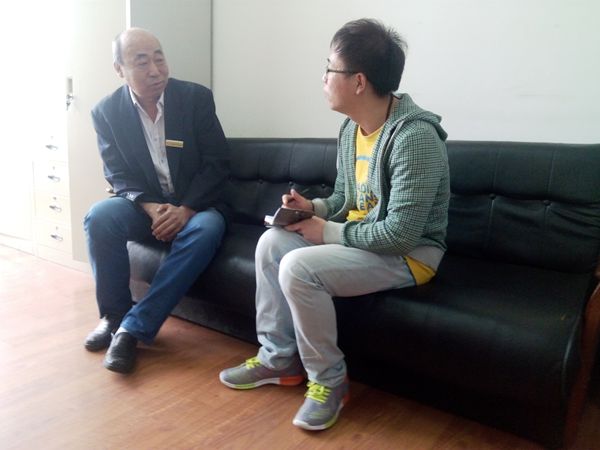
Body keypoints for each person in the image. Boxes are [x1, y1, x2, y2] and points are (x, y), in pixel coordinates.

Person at [219, 18, 449, 430]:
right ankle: (279, 359)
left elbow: (400, 235)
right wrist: (313, 208)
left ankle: (329, 380)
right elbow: (345, 200)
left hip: (410, 255)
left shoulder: (415, 138)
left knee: (298, 267)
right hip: (362, 239)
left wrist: (325, 231)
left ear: (358, 81)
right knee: (271, 243)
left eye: (330, 68)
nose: (324, 78)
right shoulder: (351, 129)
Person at [83, 28, 230, 374]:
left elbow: (217, 163)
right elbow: (117, 173)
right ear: (119, 69)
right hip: (145, 206)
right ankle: (113, 316)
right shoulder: (106, 112)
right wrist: (150, 207)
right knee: (99, 216)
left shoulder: (195, 98)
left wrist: (186, 209)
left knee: (207, 228)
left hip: (196, 206)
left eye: (159, 58)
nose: (155, 70)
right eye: (141, 62)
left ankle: (133, 328)